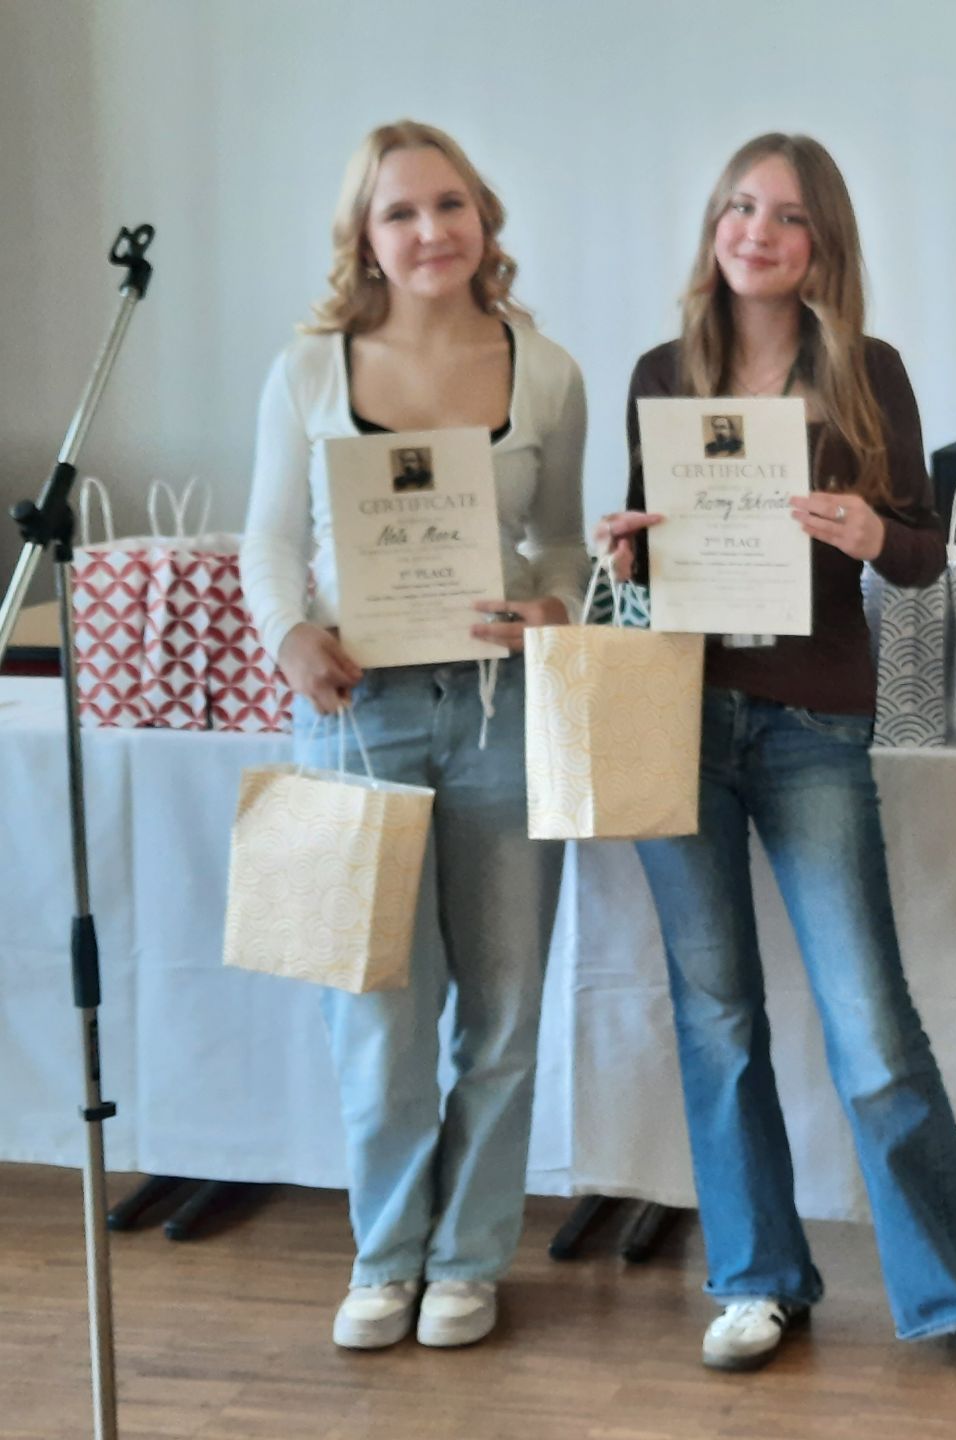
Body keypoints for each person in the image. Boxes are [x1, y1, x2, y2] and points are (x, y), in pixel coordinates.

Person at [595, 132, 956, 1399]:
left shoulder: (867, 369)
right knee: (717, 1020)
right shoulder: (660, 373)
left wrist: (870, 533)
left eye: (788, 216)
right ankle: (756, 1278)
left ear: (823, 244)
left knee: (872, 1024)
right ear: (715, 225)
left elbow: (922, 554)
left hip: (814, 725)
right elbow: (646, 556)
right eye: (739, 207)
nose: (758, 231)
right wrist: (626, 550)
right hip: (684, 714)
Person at [241, 120, 589, 1351]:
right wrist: (288, 633)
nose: (431, 231)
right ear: (365, 236)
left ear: (483, 218)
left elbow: (560, 541)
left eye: (451, 205)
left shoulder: (545, 372)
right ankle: (386, 1257)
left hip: (502, 712)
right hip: (356, 716)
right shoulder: (308, 370)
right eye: (401, 212)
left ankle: (468, 1260)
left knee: (503, 1010)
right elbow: (270, 538)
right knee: (378, 1015)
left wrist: (557, 608)